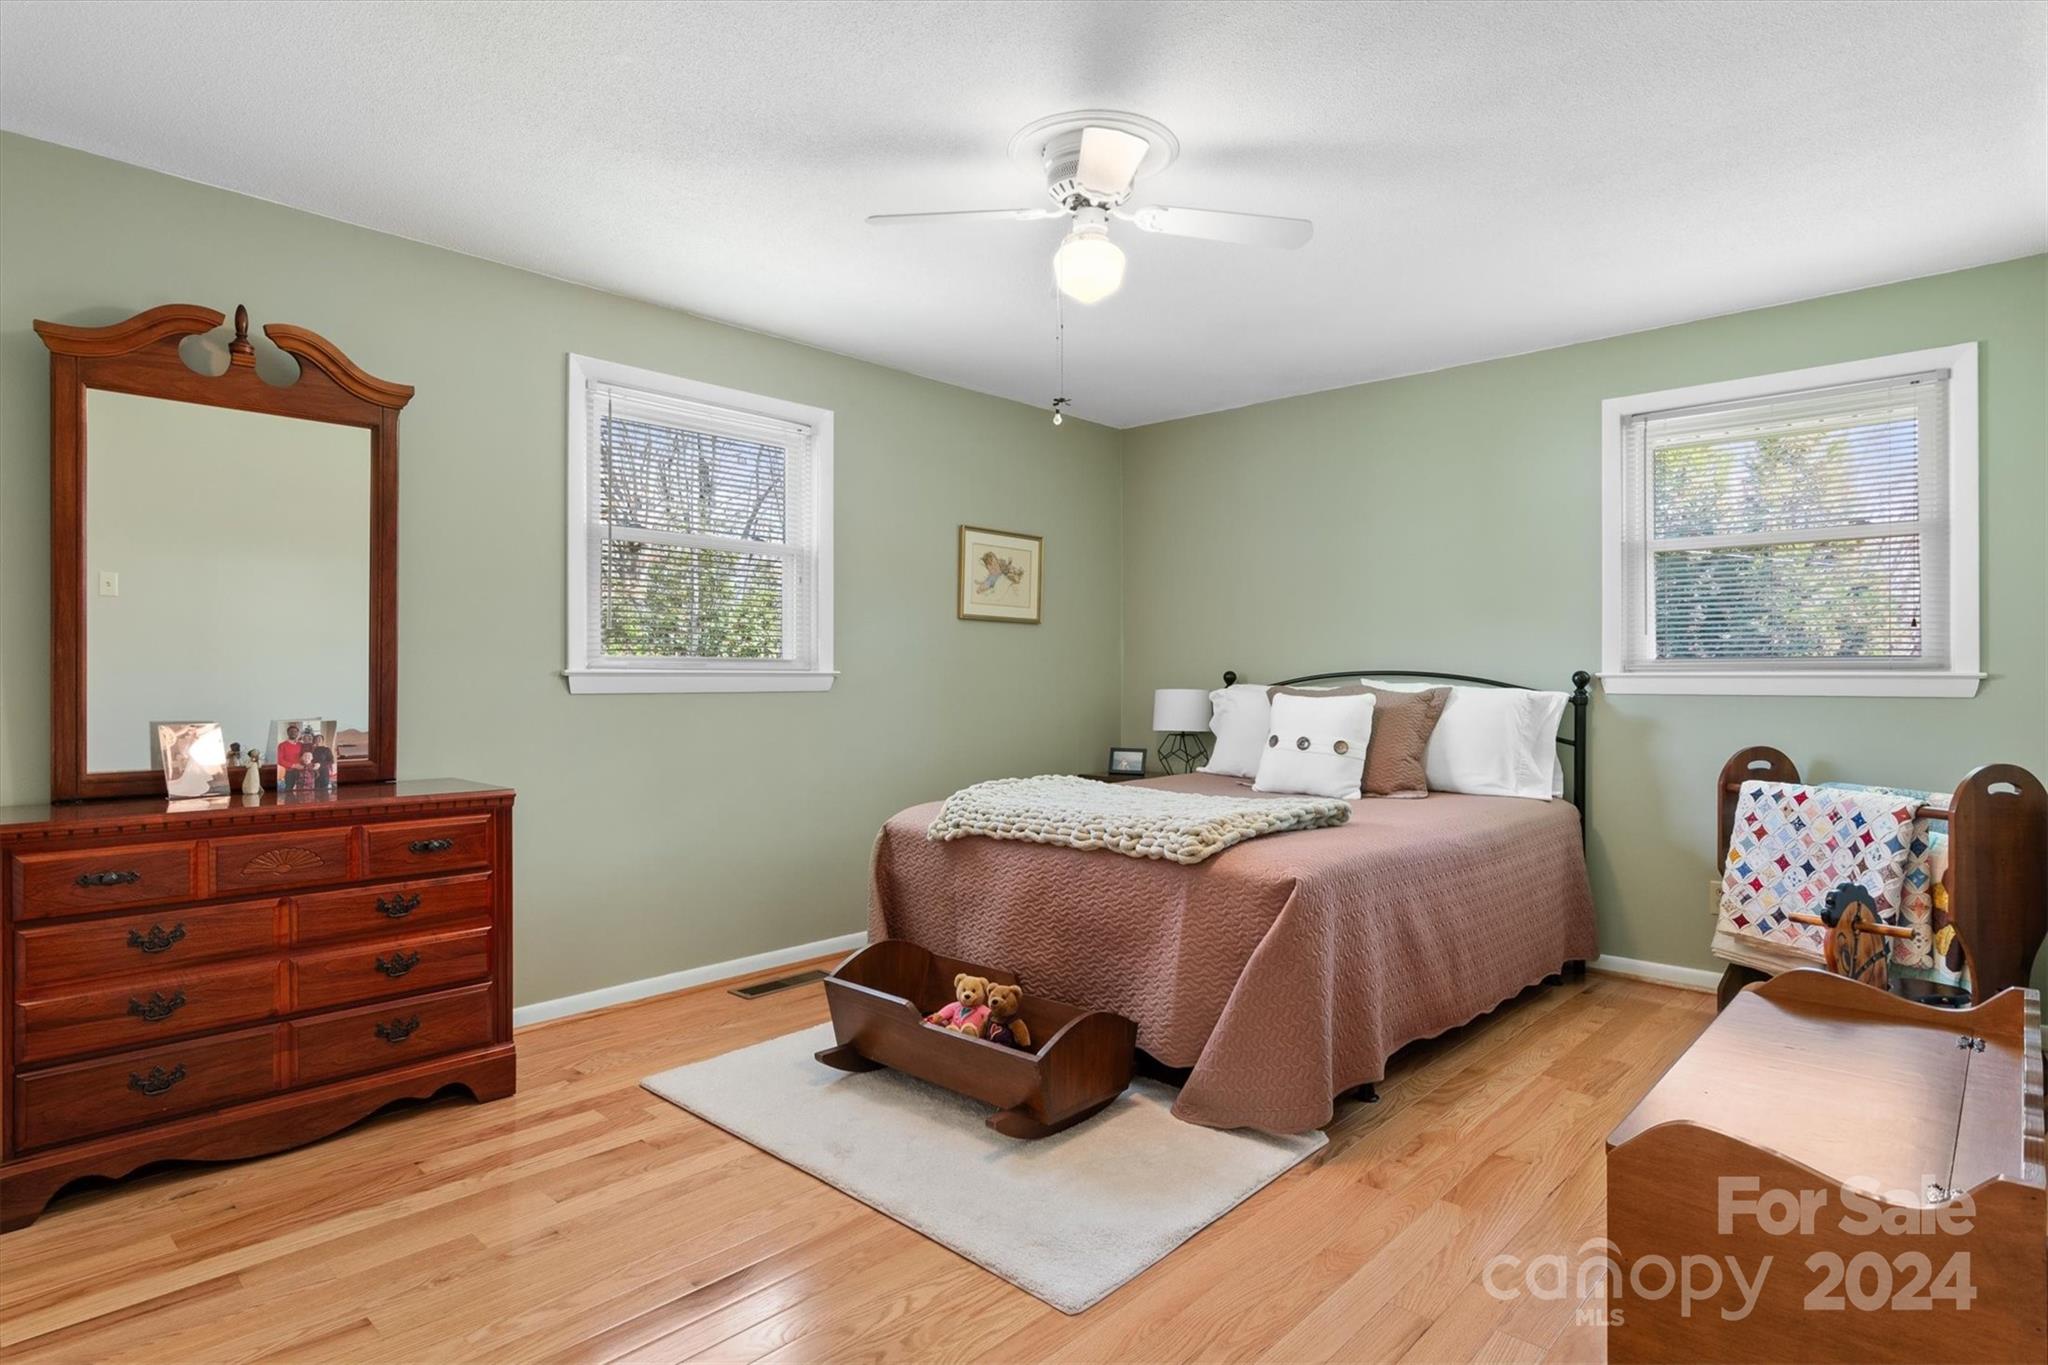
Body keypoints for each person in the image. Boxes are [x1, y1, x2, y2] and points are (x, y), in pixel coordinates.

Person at [276, 723, 304, 793]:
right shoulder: (282, 745)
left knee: (302, 790)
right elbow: (279, 760)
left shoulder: (301, 745)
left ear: (297, 733)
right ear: (288, 733)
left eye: (295, 731)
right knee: (289, 790)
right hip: (289, 772)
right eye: (291, 731)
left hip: (302, 771)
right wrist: (294, 765)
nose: (293, 733)